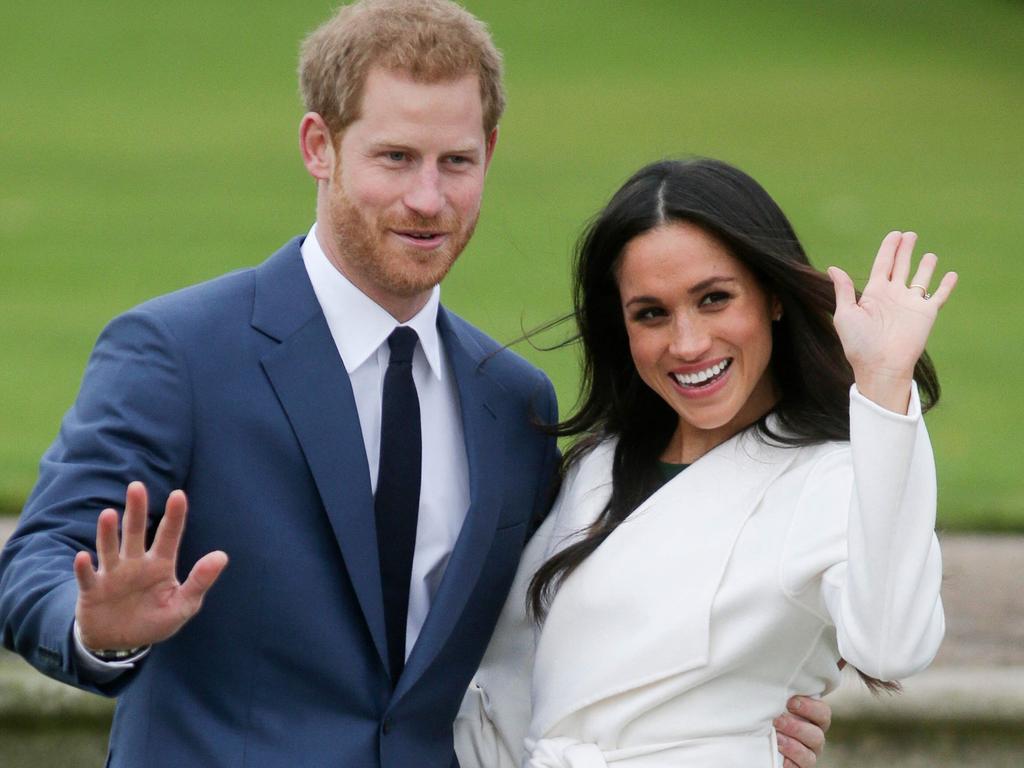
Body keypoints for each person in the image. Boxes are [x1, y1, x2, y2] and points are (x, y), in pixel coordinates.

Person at [0, 3, 830, 766]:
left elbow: (561, 625)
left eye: (456, 162)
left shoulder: (514, 402)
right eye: (395, 158)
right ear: (318, 146)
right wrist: (95, 631)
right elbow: (35, 562)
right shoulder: (177, 353)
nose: (427, 200)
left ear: (490, 155)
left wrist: (731, 709)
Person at [455, 157, 954, 767]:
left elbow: (892, 645)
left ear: (772, 297)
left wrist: (882, 385)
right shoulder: (597, 465)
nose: (688, 343)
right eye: (652, 313)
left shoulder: (833, 476)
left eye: (714, 299)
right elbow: (513, 681)